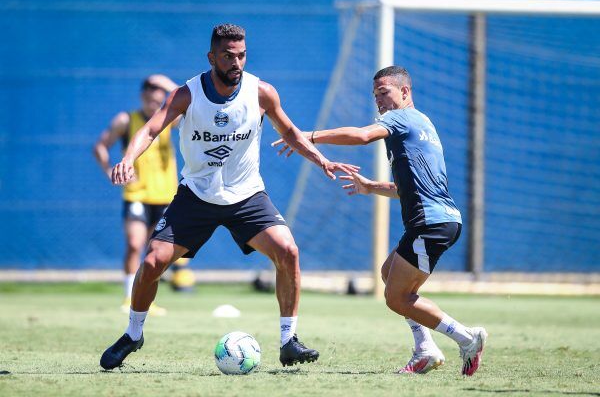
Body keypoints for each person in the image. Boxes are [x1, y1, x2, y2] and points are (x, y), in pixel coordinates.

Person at [99, 24, 358, 370]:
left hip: (247, 196)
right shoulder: (186, 95)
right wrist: (128, 158)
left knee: (288, 251)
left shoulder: (261, 92)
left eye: (241, 55)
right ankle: (133, 333)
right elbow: (149, 128)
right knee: (151, 263)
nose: (236, 62)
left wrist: (321, 159)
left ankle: (288, 341)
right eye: (228, 56)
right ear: (212, 57)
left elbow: (291, 132)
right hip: (196, 196)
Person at [272, 66, 487, 376]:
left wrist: (308, 136)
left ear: (405, 92)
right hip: (437, 221)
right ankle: (424, 349)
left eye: (384, 93)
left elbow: (361, 136)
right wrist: (371, 187)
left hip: (430, 224)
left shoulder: (399, 119)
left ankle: (467, 337)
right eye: (375, 96)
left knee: (397, 298)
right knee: (389, 273)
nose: (379, 102)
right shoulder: (422, 123)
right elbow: (409, 189)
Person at [93, 74, 190, 316]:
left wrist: (167, 84)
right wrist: (108, 171)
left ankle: (147, 300)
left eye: (158, 94)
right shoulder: (126, 120)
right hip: (136, 194)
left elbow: (190, 103)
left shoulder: (170, 119)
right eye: (148, 94)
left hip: (165, 196)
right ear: (142, 96)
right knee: (135, 243)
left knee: (155, 252)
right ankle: (128, 296)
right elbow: (100, 146)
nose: (153, 99)